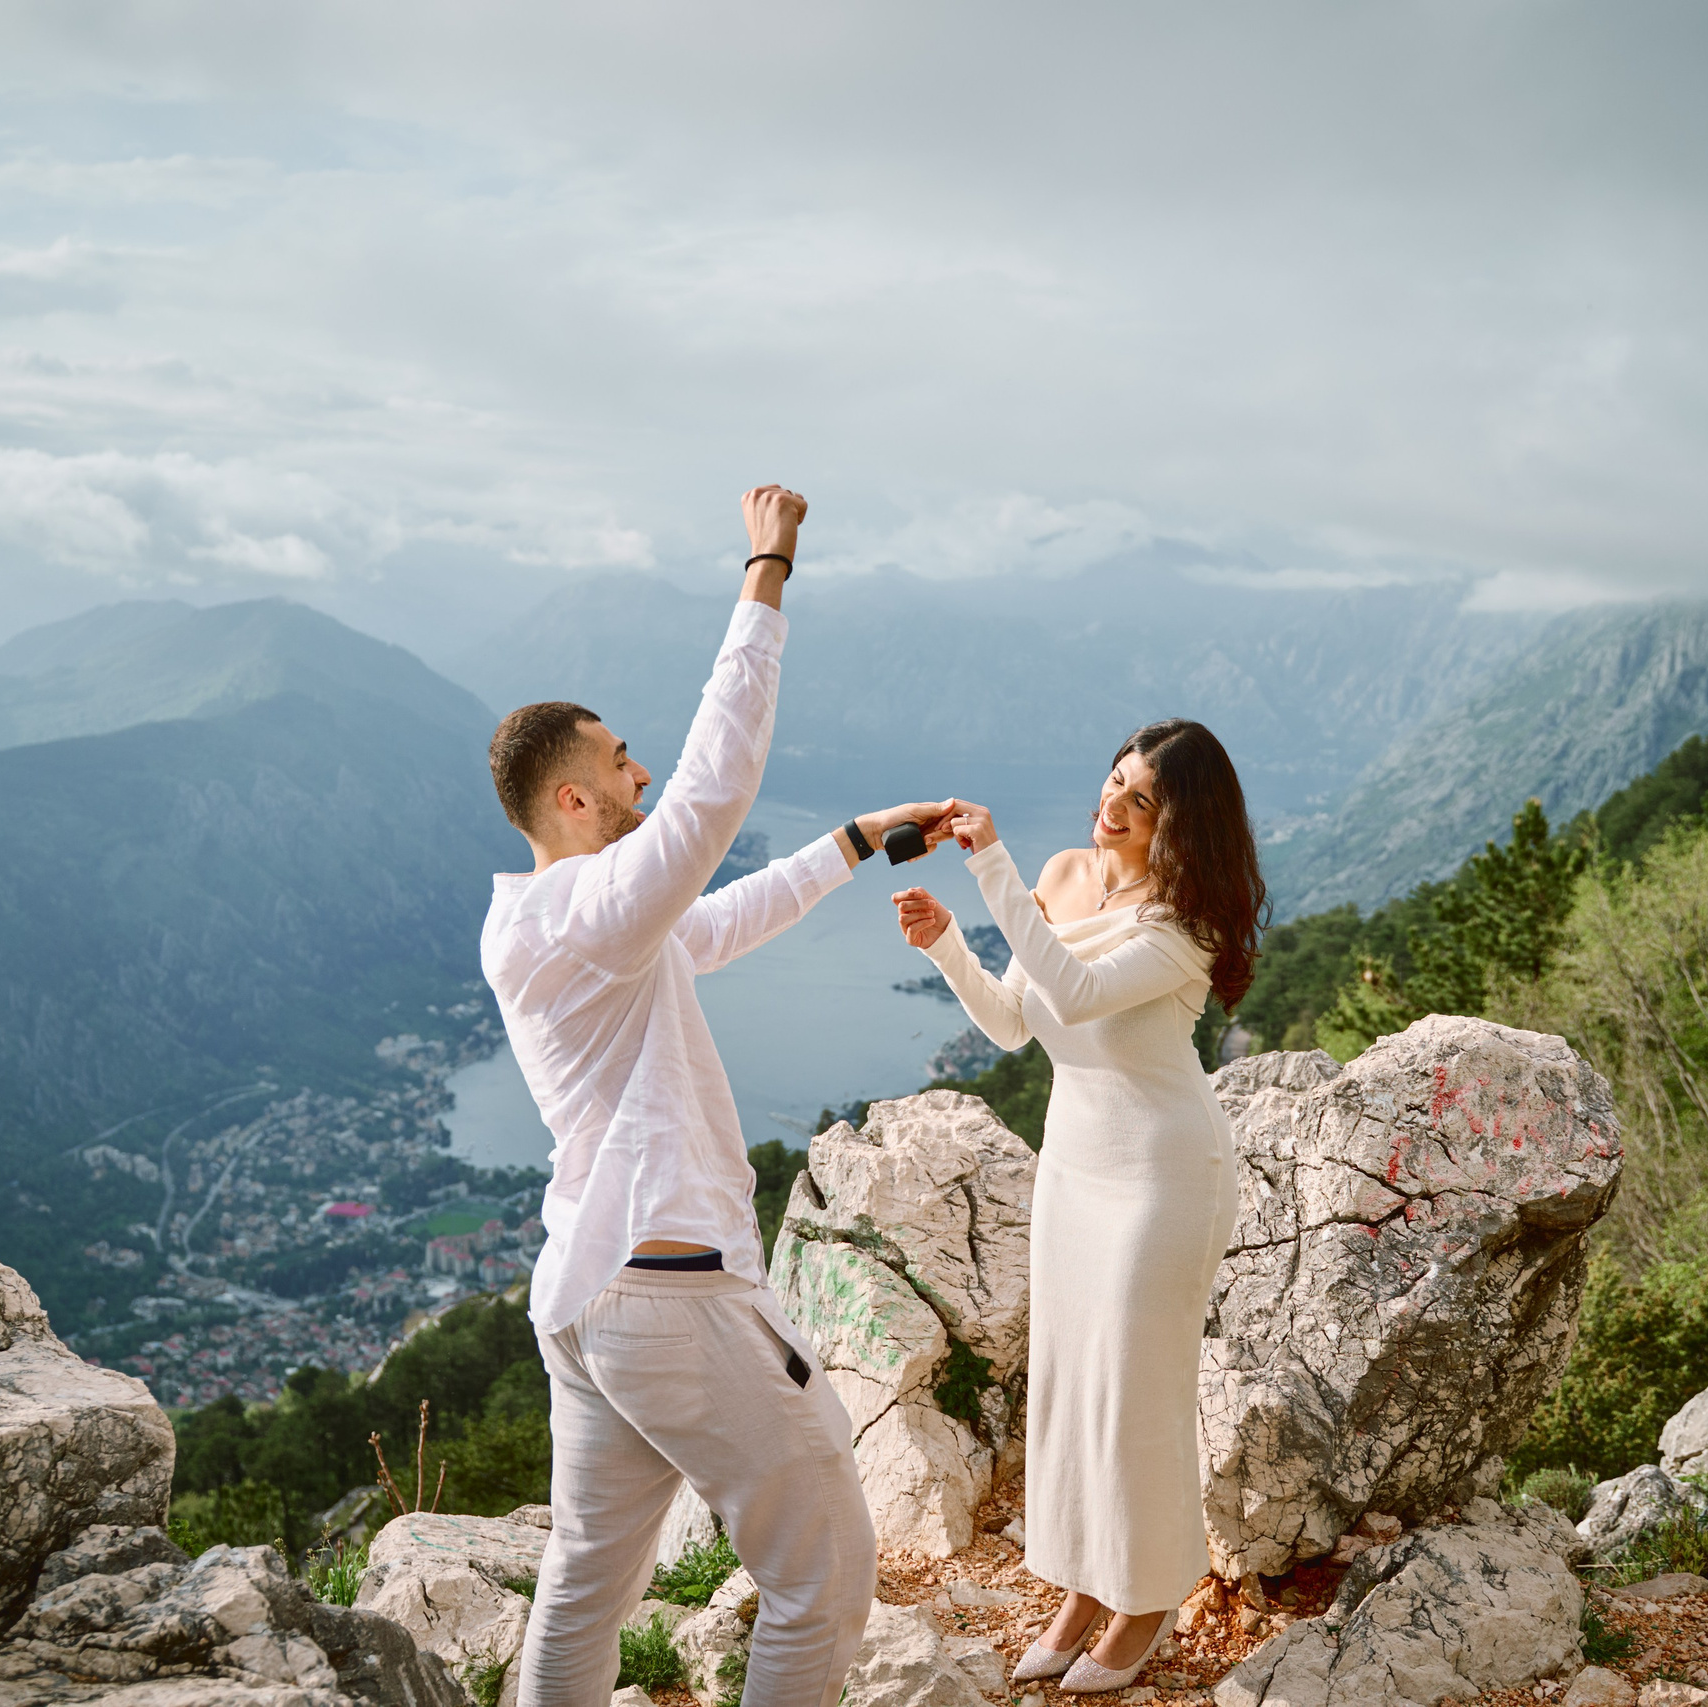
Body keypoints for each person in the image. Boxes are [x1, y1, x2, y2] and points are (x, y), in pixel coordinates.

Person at [483, 485, 948, 1707]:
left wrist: (851, 839)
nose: (638, 770)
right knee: (823, 1574)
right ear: (572, 802)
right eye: (615, 760)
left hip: (590, 1300)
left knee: (588, 1575)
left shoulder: (568, 928)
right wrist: (767, 567)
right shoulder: (588, 908)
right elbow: (714, 788)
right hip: (669, 1300)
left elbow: (723, 916)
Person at [889, 720, 1265, 1695]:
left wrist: (985, 866)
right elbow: (1018, 1022)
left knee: (1133, 1396)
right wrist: (947, 952)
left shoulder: (1190, 921)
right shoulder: (1061, 875)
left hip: (1160, 1178)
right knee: (1071, 1392)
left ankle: (1144, 1600)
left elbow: (1079, 991)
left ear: (1184, 825)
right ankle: (1081, 1592)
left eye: (1142, 799)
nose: (1114, 804)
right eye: (1115, 781)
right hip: (1075, 1169)